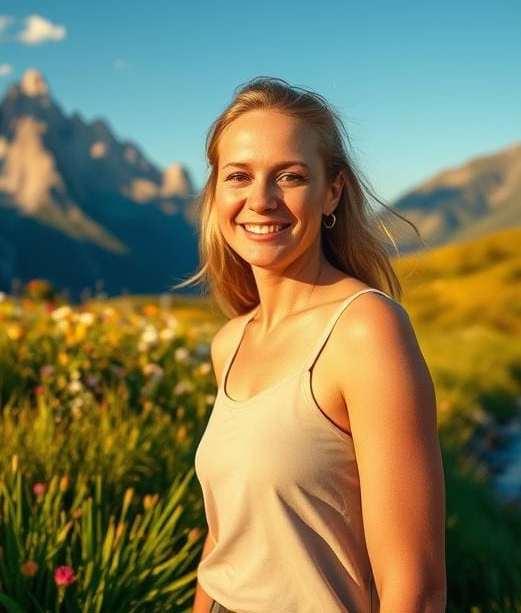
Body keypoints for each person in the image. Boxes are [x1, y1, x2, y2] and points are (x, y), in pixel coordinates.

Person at [179, 77, 446, 613]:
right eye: (239, 176)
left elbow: (415, 588)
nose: (261, 199)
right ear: (216, 193)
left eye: (291, 176)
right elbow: (228, 537)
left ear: (332, 191)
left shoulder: (366, 330)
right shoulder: (229, 342)